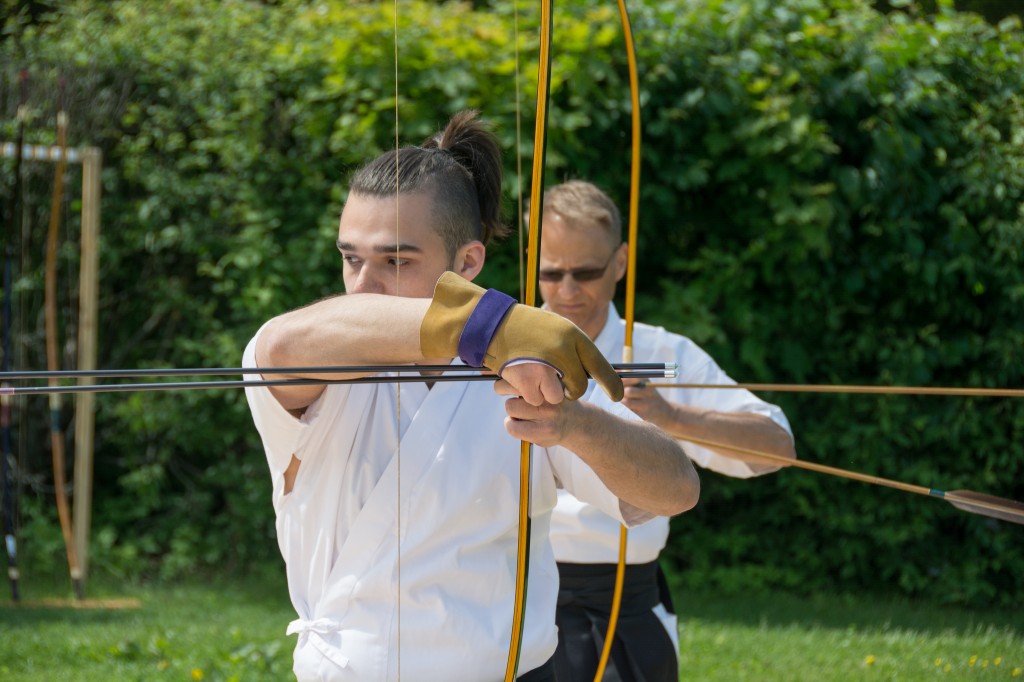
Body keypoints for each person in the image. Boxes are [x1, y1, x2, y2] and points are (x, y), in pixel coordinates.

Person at [241, 112, 701, 682]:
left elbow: (675, 488)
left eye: (396, 261)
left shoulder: (518, 373)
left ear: (468, 263)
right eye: (351, 257)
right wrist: (490, 324)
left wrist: (576, 424)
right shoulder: (322, 361)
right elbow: (283, 344)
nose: (363, 286)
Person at [536, 180, 796, 682]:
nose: (567, 291)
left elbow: (776, 448)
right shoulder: (498, 356)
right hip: (517, 602)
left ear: (620, 262)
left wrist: (673, 419)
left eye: (586, 272)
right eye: (551, 273)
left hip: (624, 607)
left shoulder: (661, 354)